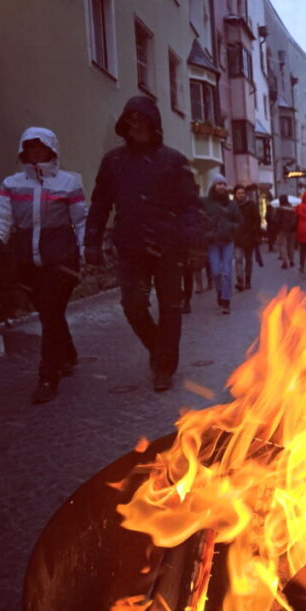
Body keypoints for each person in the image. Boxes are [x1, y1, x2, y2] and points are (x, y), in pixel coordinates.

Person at [84, 97, 203, 392]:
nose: (135, 126)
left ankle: (165, 366)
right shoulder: (113, 162)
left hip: (168, 246)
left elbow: (191, 207)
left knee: (171, 308)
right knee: (133, 305)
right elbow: (100, 203)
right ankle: (157, 349)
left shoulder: (174, 161)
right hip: (131, 245)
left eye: (141, 120)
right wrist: (92, 241)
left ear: (152, 124)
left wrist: (196, 245)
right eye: (130, 121)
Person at [0, 127, 87, 404]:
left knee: (52, 311)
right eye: (30, 148)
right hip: (27, 261)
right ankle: (67, 354)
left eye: (40, 148)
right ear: (24, 150)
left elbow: (80, 220)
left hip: (60, 258)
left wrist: (84, 250)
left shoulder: (69, 183)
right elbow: (2, 216)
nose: (35, 153)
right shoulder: (12, 184)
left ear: (51, 150)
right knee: (48, 312)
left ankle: (48, 375)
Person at [202, 172, 242, 313]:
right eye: (219, 184)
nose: (222, 187)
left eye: (224, 184)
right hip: (212, 242)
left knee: (226, 272)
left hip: (227, 242)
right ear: (213, 185)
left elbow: (239, 221)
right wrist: (206, 230)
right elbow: (199, 219)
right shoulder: (205, 203)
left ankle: (226, 301)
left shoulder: (231, 204)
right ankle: (220, 291)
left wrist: (231, 227)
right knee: (216, 272)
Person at [233, 185, 261, 291]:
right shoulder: (232, 206)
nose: (241, 195)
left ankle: (248, 280)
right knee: (238, 259)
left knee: (248, 260)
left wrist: (254, 232)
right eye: (239, 193)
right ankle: (240, 280)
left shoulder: (251, 205)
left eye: (242, 193)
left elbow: (257, 219)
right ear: (235, 195)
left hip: (249, 237)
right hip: (237, 238)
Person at [273, 195, 298, 269]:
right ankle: (292, 261)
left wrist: (276, 228)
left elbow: (276, 220)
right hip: (292, 229)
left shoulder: (279, 209)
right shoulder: (292, 208)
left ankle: (285, 262)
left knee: (283, 246)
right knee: (291, 246)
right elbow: (296, 218)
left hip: (282, 230)